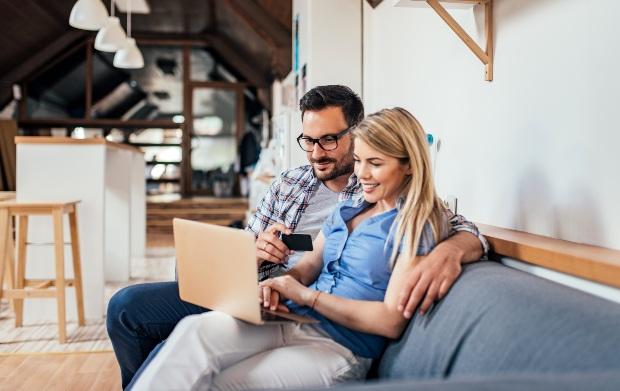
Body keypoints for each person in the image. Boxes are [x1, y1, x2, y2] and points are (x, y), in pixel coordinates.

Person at [107, 85, 488, 388]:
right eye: (307, 141)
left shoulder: (396, 206)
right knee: (133, 310)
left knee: (207, 373)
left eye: (328, 141)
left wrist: (455, 249)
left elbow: (460, 228)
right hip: (265, 299)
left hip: (322, 329)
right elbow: (292, 258)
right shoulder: (295, 183)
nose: (315, 153)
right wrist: (257, 255)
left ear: (354, 136)